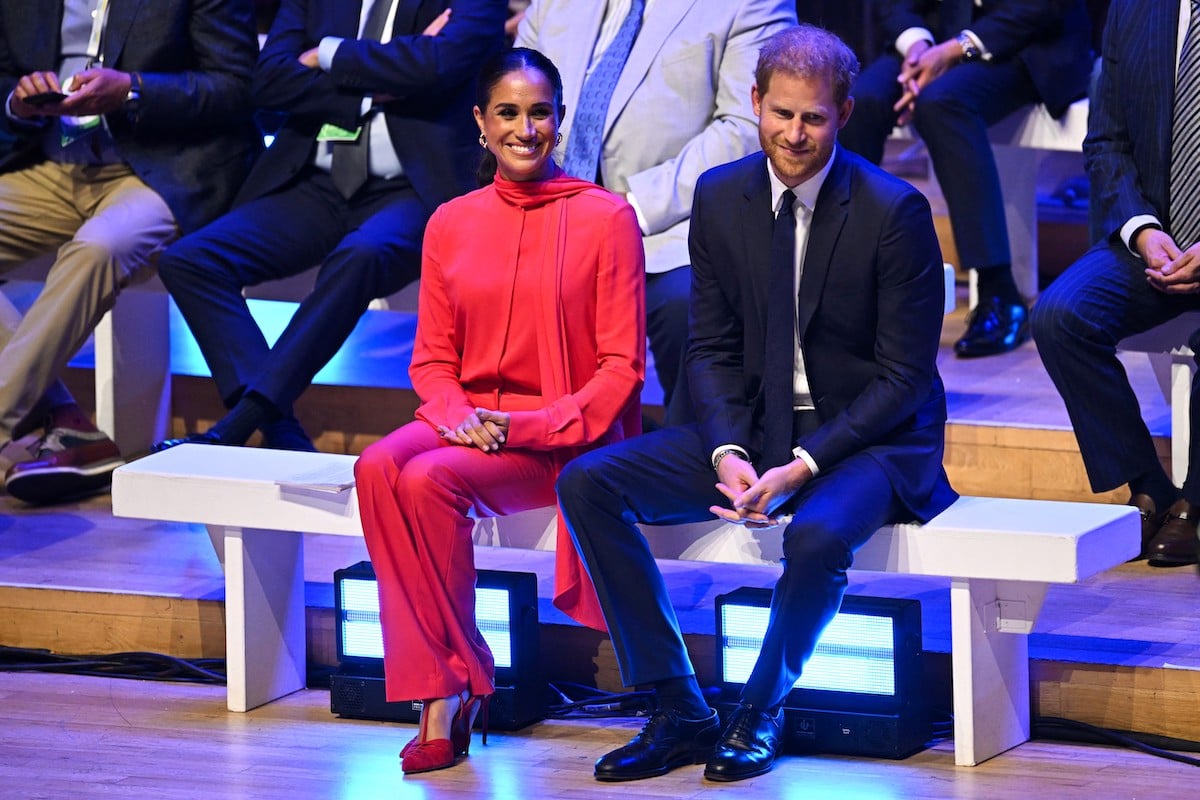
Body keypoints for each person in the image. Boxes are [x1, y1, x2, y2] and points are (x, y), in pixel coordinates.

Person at [556, 24, 957, 783]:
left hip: (867, 439)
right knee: (588, 482)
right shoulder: (721, 195)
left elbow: (903, 379)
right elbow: (708, 347)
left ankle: (759, 708)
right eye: (780, 114)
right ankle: (679, 709)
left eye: (812, 117)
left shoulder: (893, 211)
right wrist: (728, 452)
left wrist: (802, 466)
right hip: (756, 428)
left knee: (814, 538)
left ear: (842, 111)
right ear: (754, 104)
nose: (794, 133)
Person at [354, 48, 646, 775]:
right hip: (468, 421)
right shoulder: (450, 222)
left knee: (426, 483)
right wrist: (457, 416)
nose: (525, 128)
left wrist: (525, 426)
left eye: (539, 112)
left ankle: (443, 695)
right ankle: (454, 671)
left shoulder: (606, 219)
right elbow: (431, 361)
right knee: (375, 465)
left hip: (558, 437)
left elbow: (621, 371)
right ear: (481, 123)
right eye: (508, 113)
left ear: (559, 120)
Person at [151, 0, 506, 455]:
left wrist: (327, 55)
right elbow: (269, 79)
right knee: (190, 260)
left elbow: (435, 66)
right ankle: (275, 422)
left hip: (413, 188)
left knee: (362, 254)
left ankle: (244, 420)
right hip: (317, 182)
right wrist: (371, 90)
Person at [0, 0, 259, 503]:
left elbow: (235, 87)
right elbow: (4, 76)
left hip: (162, 168)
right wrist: (19, 101)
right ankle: (66, 422)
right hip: (53, 164)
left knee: (99, 248)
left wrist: (133, 90)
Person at [516, 0, 796, 425]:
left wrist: (627, 208)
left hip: (671, 223)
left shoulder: (749, 4)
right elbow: (514, 96)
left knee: (689, 302)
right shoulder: (553, 5)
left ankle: (695, 465)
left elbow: (744, 127)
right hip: (549, 214)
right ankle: (523, 451)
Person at [1032, 0, 1200, 569]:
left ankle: (1197, 506)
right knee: (1059, 316)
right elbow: (1106, 142)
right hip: (1154, 237)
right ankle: (1149, 485)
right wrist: (1143, 229)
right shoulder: (1135, 9)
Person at [838, 0, 1092, 358]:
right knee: (860, 102)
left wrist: (957, 50)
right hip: (933, 35)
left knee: (943, 103)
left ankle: (1000, 292)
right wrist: (918, 47)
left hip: (1033, 44)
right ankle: (851, 281)